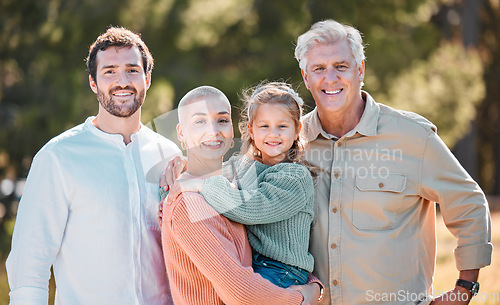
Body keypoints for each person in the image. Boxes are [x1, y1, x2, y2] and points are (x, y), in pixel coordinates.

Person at [294, 20, 493, 304]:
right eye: (318, 69)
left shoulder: (412, 137)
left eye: (341, 66)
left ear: (360, 69)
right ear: (305, 76)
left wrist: (464, 289)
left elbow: (469, 203)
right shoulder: (292, 145)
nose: (330, 78)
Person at [6, 27, 180, 305]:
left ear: (147, 79)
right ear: (93, 82)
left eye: (132, 70)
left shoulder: (168, 155)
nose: (122, 81)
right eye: (109, 71)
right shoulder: (58, 157)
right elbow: (30, 264)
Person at [161, 85, 322, 305]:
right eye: (200, 121)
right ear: (251, 131)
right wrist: (305, 297)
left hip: (282, 271)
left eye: (222, 120)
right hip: (265, 272)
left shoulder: (293, 176)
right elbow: (244, 294)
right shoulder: (194, 202)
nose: (213, 130)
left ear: (296, 131)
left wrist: (310, 290)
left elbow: (249, 204)